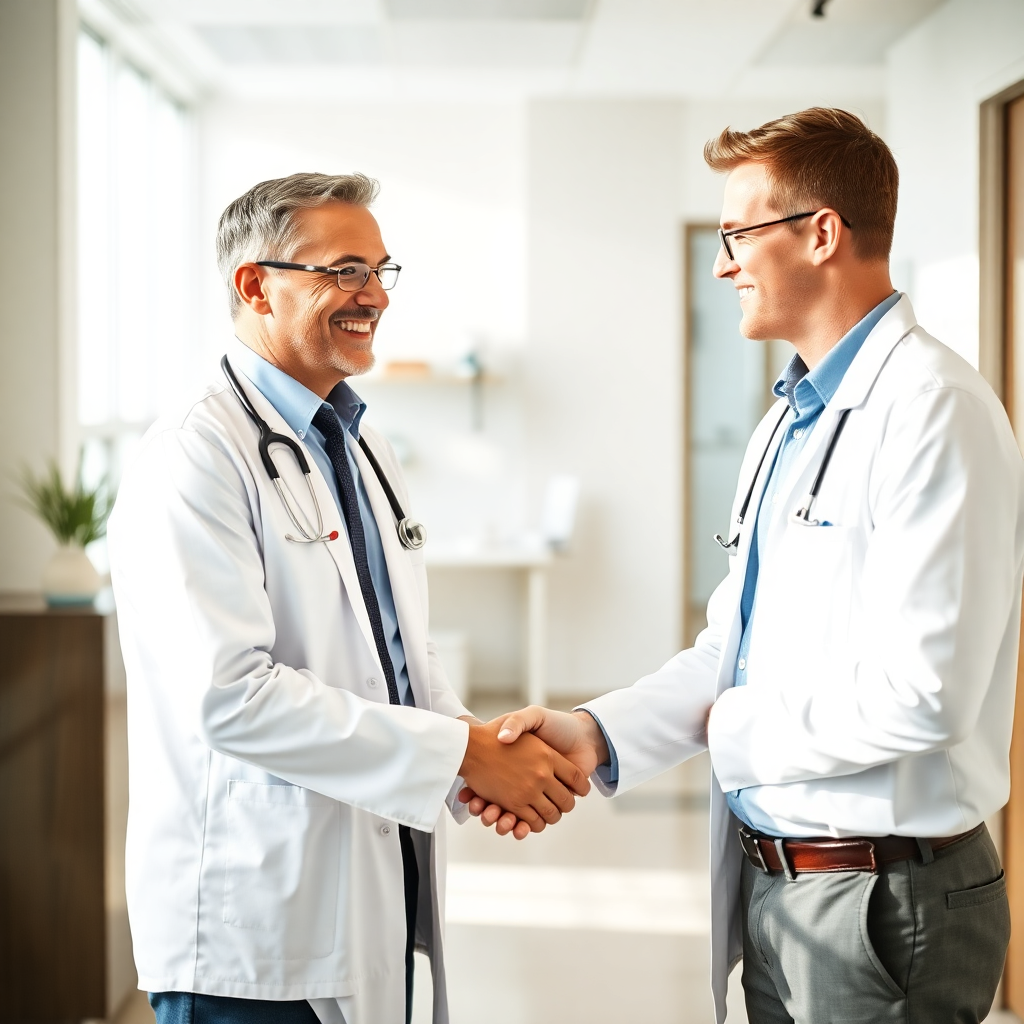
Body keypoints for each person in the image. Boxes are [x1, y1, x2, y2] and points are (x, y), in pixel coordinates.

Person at [467, 109, 1024, 1023]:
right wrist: (595, 731)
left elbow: (926, 695)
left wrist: (724, 727)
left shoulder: (934, 410)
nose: (723, 264)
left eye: (737, 235)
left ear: (822, 233)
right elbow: (732, 647)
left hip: (882, 901)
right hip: (777, 885)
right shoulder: (787, 423)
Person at [108, 172, 589, 1024]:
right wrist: (462, 755)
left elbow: (397, 650)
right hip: (251, 926)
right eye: (344, 271)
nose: (374, 294)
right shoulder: (194, 454)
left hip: (368, 887)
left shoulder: (357, 444)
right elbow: (230, 697)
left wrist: (476, 747)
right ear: (255, 286)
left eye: (379, 270)